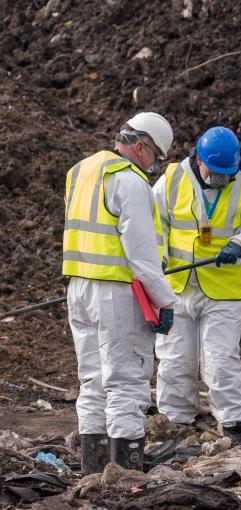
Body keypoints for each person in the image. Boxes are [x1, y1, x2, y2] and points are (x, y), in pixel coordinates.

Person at [64, 112, 178, 473]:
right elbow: (143, 256)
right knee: (127, 380)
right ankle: (125, 475)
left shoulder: (81, 171)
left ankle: (93, 470)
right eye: (156, 156)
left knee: (93, 378)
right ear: (142, 147)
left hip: (79, 288)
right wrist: (165, 301)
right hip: (116, 292)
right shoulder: (128, 181)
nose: (155, 165)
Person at [152, 127, 241, 445]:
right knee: (175, 359)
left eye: (227, 173)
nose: (221, 179)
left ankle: (234, 424)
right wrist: (159, 257)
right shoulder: (172, 180)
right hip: (178, 284)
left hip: (223, 290)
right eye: (215, 172)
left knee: (220, 360)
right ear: (198, 158)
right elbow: (154, 223)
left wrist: (240, 244)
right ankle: (176, 421)